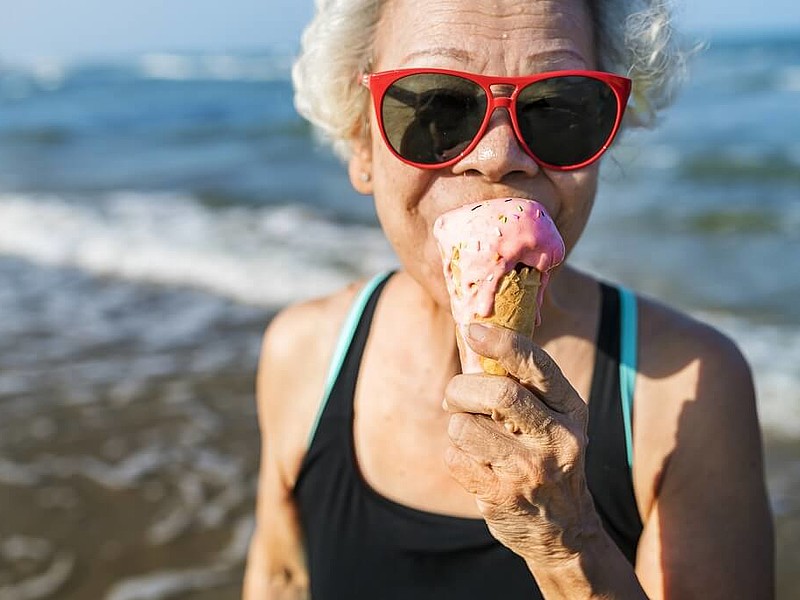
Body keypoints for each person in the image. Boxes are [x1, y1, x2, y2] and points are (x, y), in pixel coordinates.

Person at [244, 0, 775, 597]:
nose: (499, 156)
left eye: (558, 107)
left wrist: (568, 544)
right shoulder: (304, 354)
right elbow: (282, 576)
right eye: (438, 106)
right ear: (360, 139)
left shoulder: (690, 389)